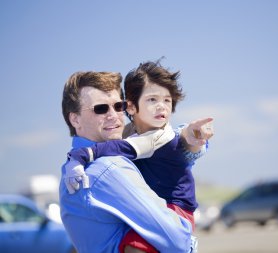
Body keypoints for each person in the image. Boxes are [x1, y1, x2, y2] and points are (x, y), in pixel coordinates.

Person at [64, 61, 214, 253]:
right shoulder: (129, 133)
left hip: (176, 211)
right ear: (132, 107)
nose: (162, 107)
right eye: (152, 100)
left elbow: (128, 146)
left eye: (167, 100)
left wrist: (80, 156)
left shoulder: (154, 137)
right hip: (165, 208)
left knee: (134, 247)